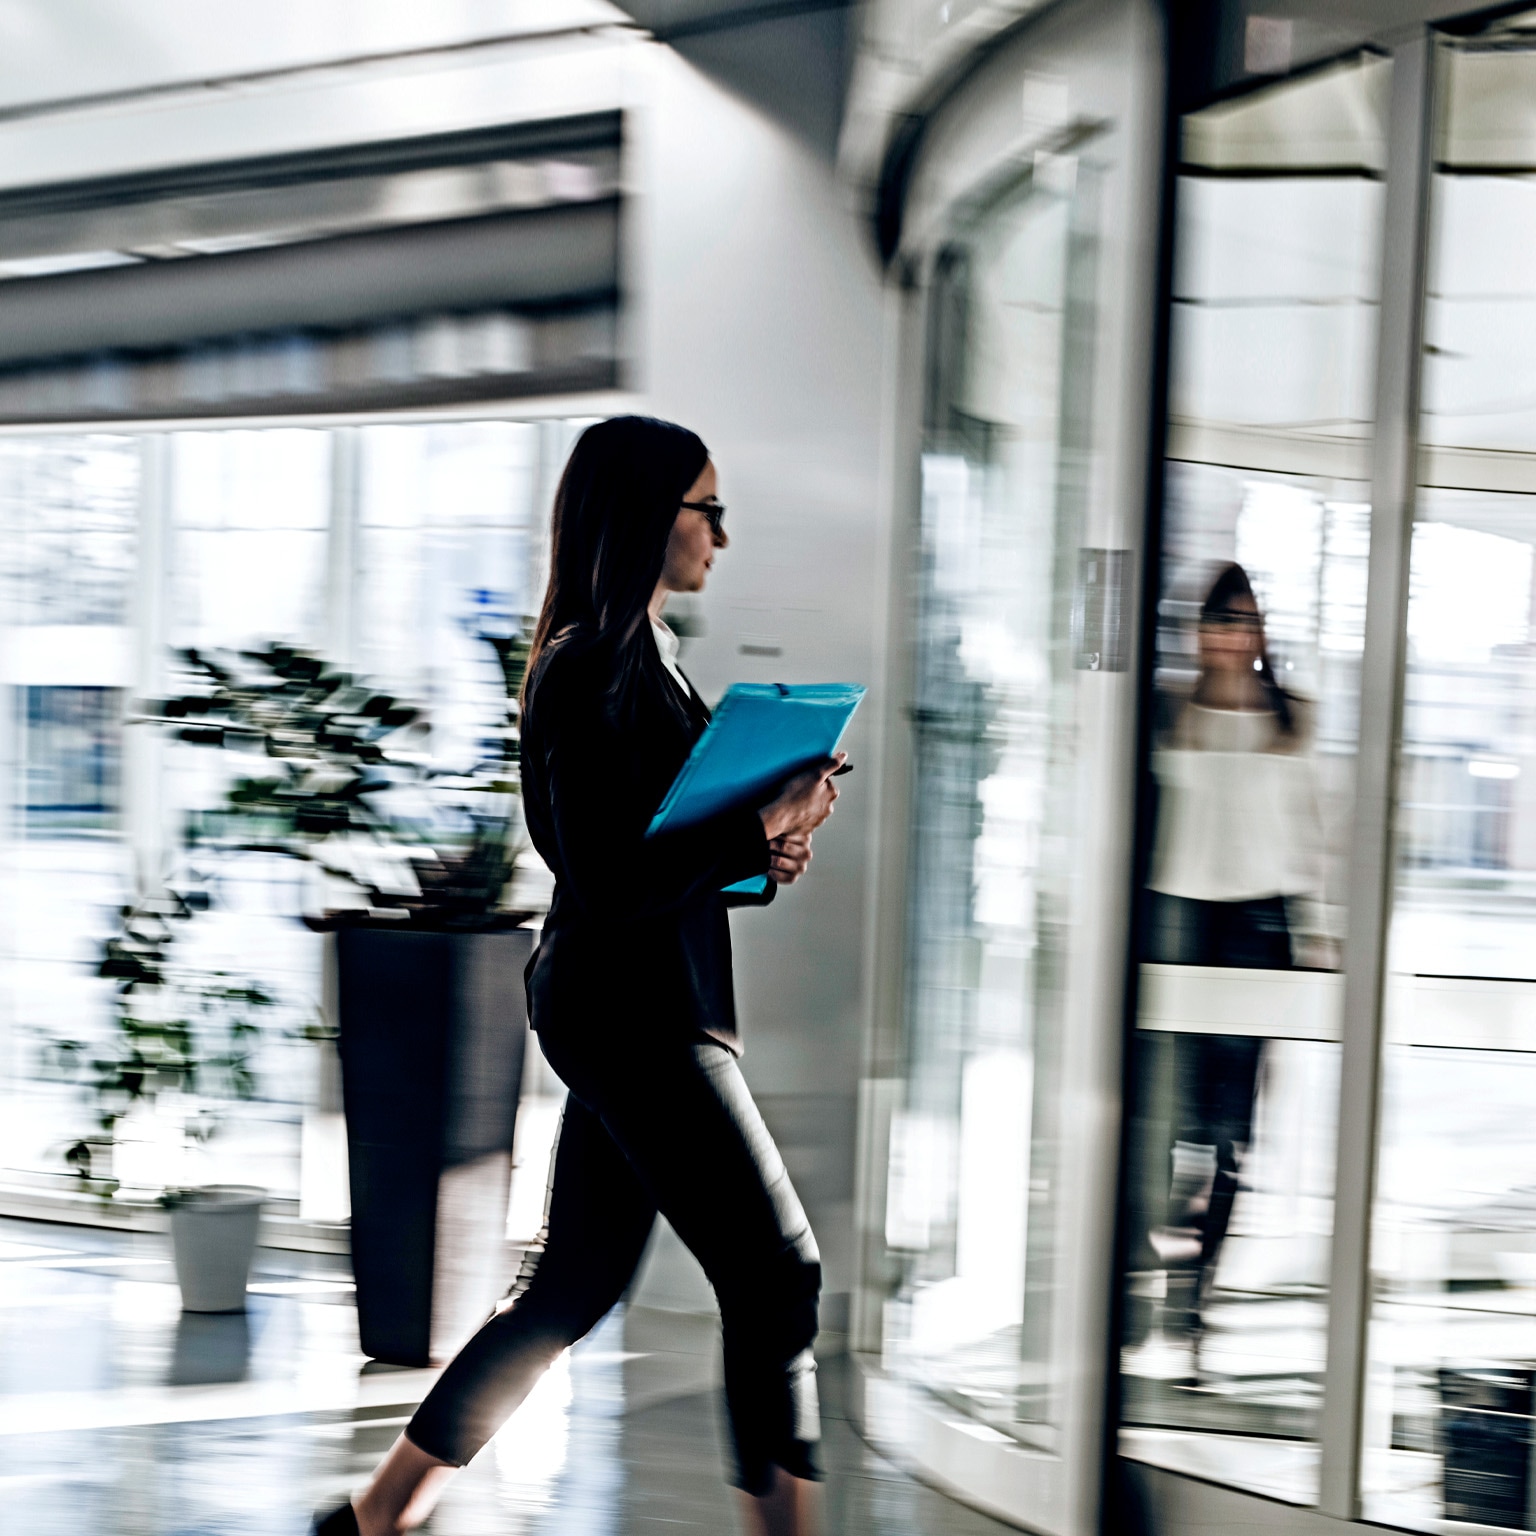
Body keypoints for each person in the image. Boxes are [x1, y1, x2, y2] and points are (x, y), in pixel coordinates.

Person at [314, 416, 842, 1536]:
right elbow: (605, 874)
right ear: (649, 513)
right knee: (776, 1276)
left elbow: (669, 854)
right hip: (633, 1015)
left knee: (571, 1285)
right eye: (710, 510)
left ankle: (376, 1519)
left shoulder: (647, 663)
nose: (723, 538)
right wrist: (757, 828)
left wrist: (766, 849)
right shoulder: (589, 670)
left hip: (648, 1002)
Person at [1142, 561, 1324, 1354]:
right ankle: (1151, 1276)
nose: (1229, 637)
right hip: (1174, 914)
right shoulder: (1164, 708)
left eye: (1243, 622)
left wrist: (1320, 936)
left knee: (1229, 1128)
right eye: (1218, 620)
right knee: (1166, 1117)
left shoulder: (1295, 717)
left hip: (1260, 924)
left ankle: (1192, 1294)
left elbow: (1318, 829)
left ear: (1260, 634)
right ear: (1196, 628)